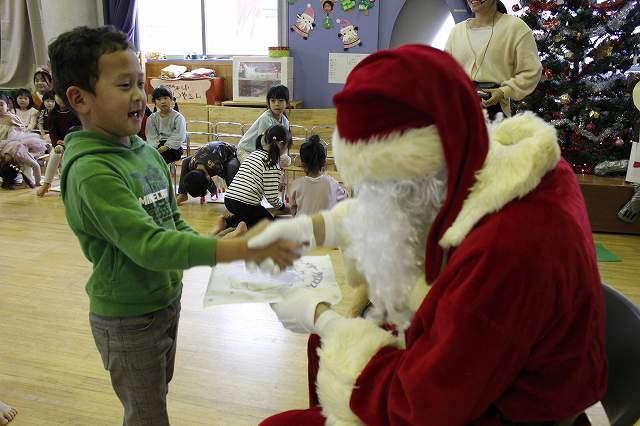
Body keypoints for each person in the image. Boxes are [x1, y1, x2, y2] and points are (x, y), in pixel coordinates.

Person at [249, 44, 607, 425]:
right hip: (492, 370)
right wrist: (307, 229)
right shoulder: (484, 162)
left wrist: (322, 317)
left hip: (507, 410)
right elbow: (393, 212)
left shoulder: (506, 247)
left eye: (377, 188)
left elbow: (418, 406)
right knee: (321, 347)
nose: (372, 203)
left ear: (418, 171)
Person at [48, 25, 300, 425]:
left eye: (140, 83)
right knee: (147, 415)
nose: (139, 95)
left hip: (166, 301)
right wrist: (233, 250)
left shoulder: (145, 153)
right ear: (80, 99)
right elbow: (149, 245)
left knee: (155, 397)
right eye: (124, 85)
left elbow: (169, 224)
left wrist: (210, 238)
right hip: (128, 318)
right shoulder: (92, 171)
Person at [445, 0, 542, 119]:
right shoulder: (457, 31)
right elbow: (444, 72)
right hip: (460, 112)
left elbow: (532, 71)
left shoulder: (516, 28)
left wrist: (503, 91)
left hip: (495, 114)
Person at [224, 124, 290, 228]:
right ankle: (237, 228)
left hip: (229, 199)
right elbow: (272, 198)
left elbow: (256, 180)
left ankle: (227, 223)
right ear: (282, 144)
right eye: (287, 147)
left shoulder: (254, 154)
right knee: (269, 226)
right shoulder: (273, 164)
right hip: (245, 203)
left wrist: (276, 185)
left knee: (249, 217)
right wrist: (284, 207)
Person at [288, 134, 347, 216]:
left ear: (302, 163)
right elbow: (344, 197)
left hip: (303, 223)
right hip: (325, 223)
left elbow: (293, 210)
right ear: (324, 162)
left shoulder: (296, 184)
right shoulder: (332, 183)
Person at [36, 94, 82, 197]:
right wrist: (57, 143)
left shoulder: (75, 112)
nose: (61, 98)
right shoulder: (53, 114)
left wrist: (67, 141)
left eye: (63, 95)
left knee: (66, 156)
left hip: (74, 141)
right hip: (58, 143)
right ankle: (47, 184)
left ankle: (66, 185)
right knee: (55, 154)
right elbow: (52, 132)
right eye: (58, 95)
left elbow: (78, 129)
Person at [237, 84, 291, 164]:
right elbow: (263, 146)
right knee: (259, 166)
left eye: (280, 100)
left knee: (286, 160)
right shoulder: (266, 118)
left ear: (287, 103)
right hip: (247, 151)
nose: (276, 104)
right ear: (269, 103)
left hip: (270, 151)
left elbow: (285, 144)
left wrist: (282, 155)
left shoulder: (285, 121)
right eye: (273, 101)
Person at [0, 94, 47, 186]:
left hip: (12, 145)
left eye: (1, 104)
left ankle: (28, 179)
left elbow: (20, 131)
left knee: (26, 162)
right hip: (5, 148)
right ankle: (7, 178)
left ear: (8, 106)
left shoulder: (11, 118)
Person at [176, 141, 240, 205]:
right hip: (207, 155)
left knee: (231, 169)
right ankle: (183, 194)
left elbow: (225, 176)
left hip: (231, 153)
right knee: (186, 161)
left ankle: (234, 200)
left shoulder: (216, 166)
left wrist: (213, 190)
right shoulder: (191, 164)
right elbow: (205, 178)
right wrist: (213, 190)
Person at [145, 86, 186, 164]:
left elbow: (179, 135)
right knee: (143, 157)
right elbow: (151, 135)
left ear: (171, 99)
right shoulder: (152, 118)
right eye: (159, 99)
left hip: (174, 147)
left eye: (165, 98)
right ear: (155, 102)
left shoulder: (178, 117)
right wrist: (156, 147)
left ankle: (162, 172)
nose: (163, 101)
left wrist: (166, 146)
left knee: (158, 160)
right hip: (157, 146)